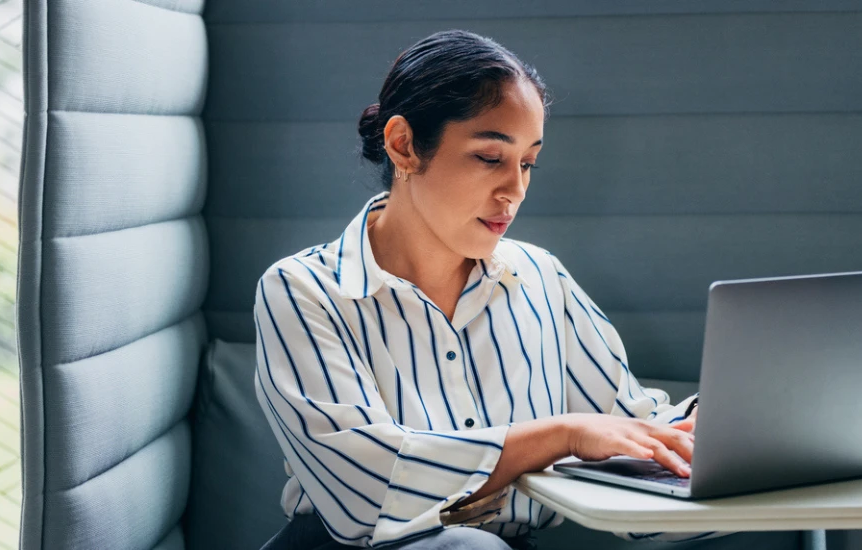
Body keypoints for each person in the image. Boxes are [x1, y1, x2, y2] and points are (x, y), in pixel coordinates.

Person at [254, 29, 717, 550]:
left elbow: (628, 432)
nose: (515, 190)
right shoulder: (302, 291)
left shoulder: (540, 276)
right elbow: (367, 489)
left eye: (527, 163)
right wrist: (561, 435)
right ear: (403, 145)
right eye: (490, 158)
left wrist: (713, 428)